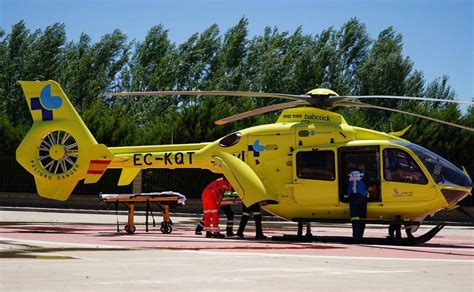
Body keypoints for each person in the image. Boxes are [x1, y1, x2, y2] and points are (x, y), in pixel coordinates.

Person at [346, 162, 369, 242]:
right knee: (362, 217)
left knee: (354, 217)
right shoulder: (363, 175)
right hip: (361, 197)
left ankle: (355, 236)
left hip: (352, 197)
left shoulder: (351, 174)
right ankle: (360, 236)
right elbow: (368, 183)